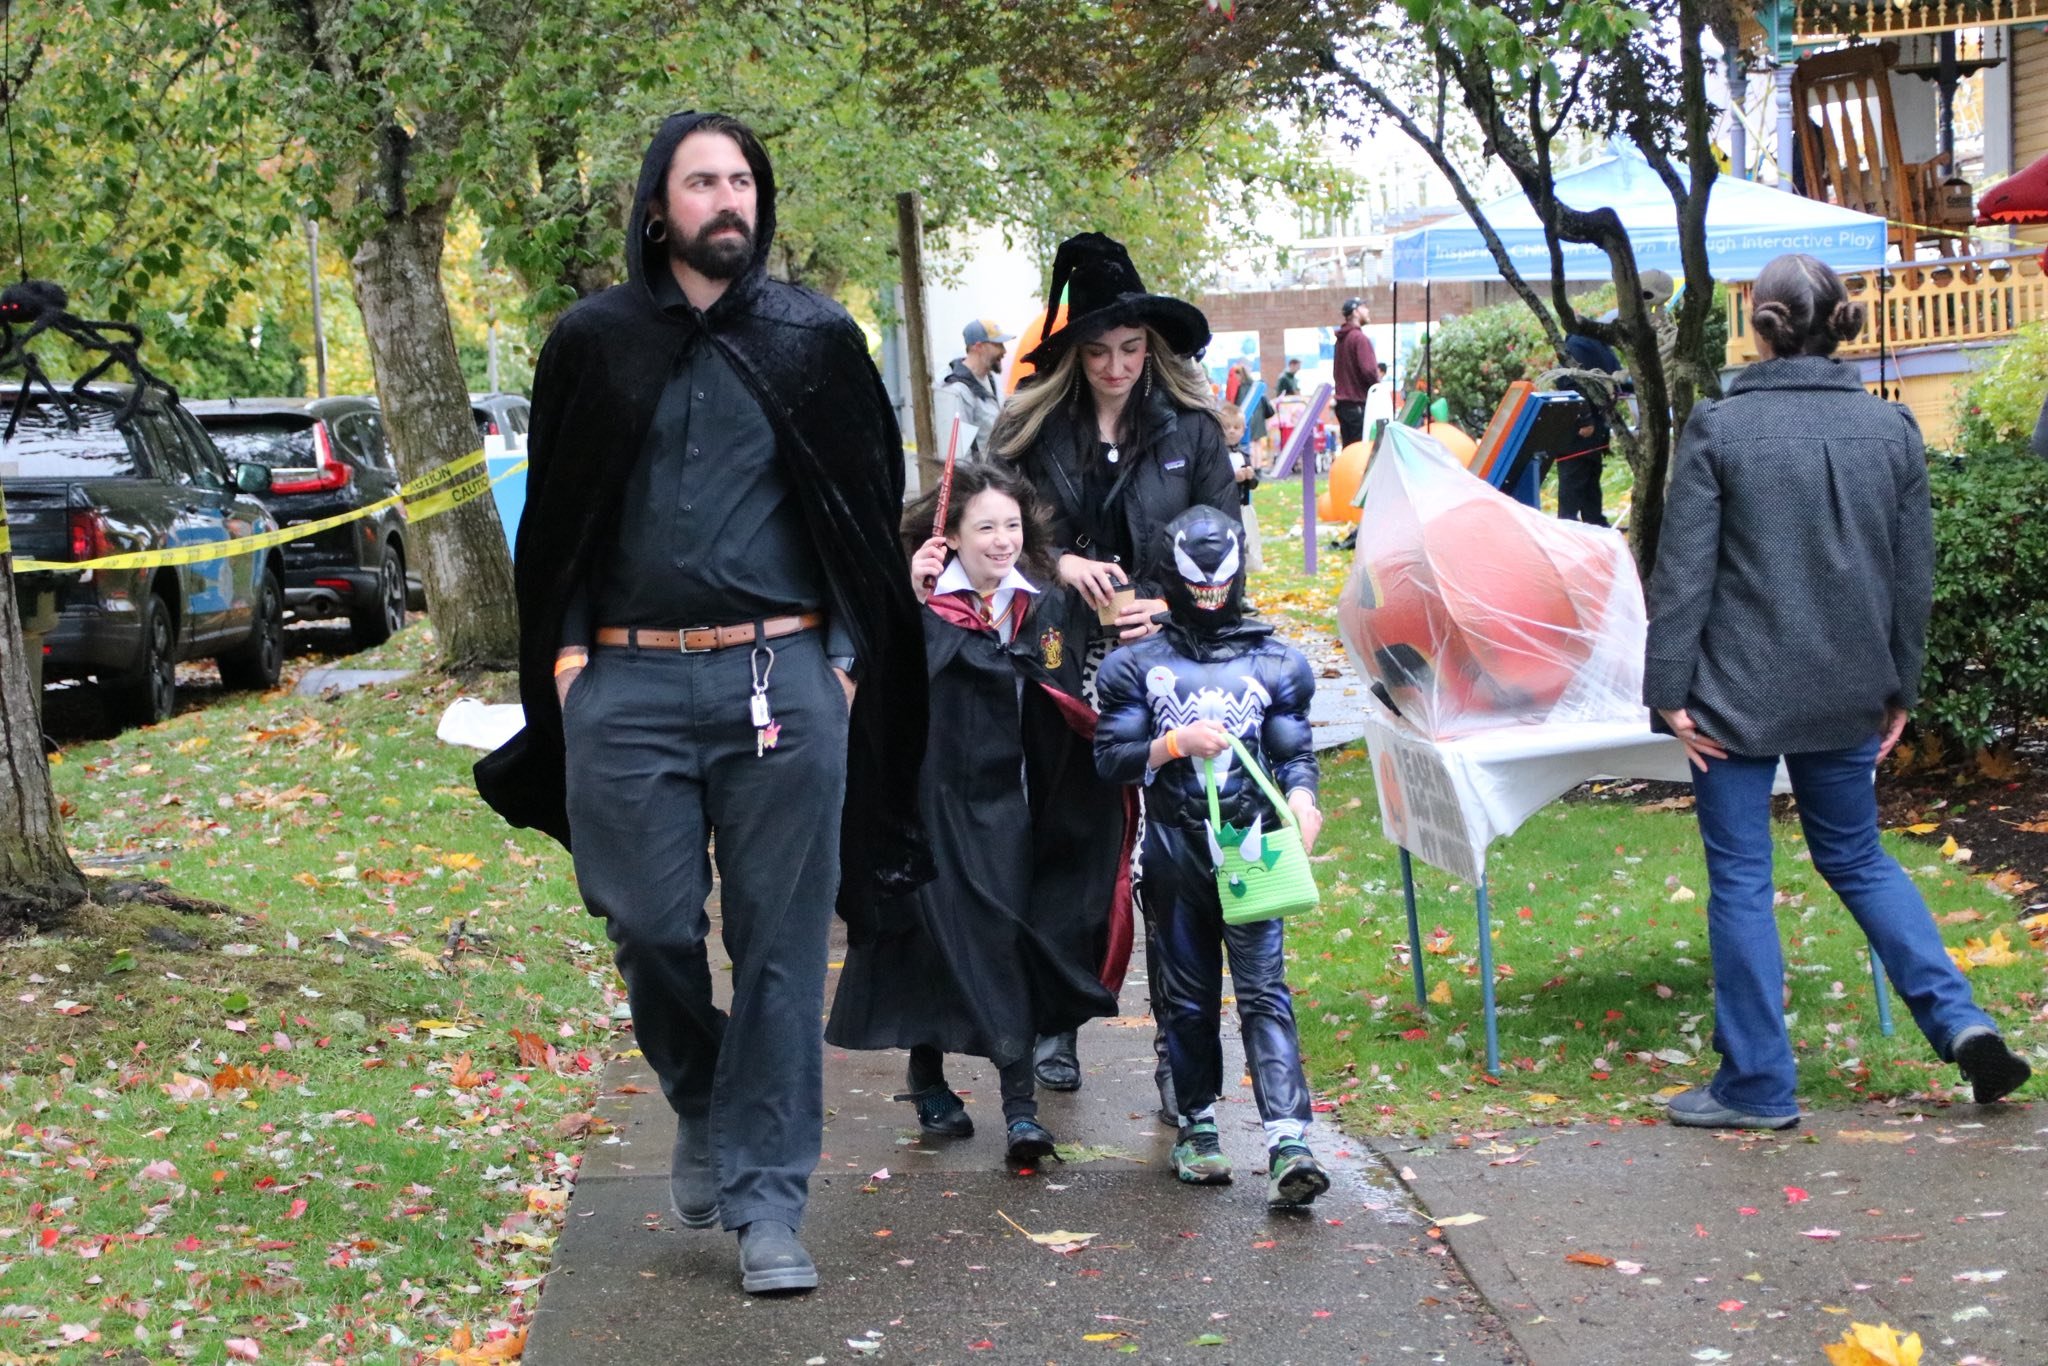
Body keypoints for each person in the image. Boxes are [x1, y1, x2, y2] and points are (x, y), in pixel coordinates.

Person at [473, 111, 931, 1295]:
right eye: (701, 181)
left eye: (741, 181)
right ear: (655, 203)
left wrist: (837, 657)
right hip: (624, 683)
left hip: (782, 678)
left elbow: (861, 516)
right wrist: (571, 665)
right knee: (647, 922)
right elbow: (557, 524)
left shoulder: (816, 338)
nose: (726, 200)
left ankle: (770, 1205)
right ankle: (702, 1092)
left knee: (779, 946)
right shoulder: (593, 341)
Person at [1645, 252, 2031, 1131]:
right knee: (1858, 858)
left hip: (1733, 697)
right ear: (1838, 324)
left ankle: (1757, 1087)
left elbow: (1682, 575)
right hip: (1852, 687)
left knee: (1743, 878)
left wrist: (1668, 692)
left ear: (1763, 323)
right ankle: (1960, 1018)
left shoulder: (1718, 428)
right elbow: (1912, 577)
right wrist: (1902, 686)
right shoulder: (1891, 431)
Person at [827, 462, 1136, 1167]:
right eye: (986, 528)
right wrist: (912, 600)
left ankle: (1007, 1105)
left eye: (1012, 527)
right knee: (933, 938)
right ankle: (950, 1082)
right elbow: (886, 698)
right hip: (930, 801)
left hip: (1013, 803)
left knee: (1000, 937)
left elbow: (1061, 694)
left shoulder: (1044, 604)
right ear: (951, 538)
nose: (1002, 541)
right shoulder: (924, 608)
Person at [994, 229, 1238, 1104]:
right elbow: (994, 530)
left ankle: (1182, 1055)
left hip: (1168, 664)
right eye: (1098, 351)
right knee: (1070, 845)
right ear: (1074, 356)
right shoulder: (1031, 431)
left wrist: (1168, 602)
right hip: (1063, 662)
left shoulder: (1191, 433)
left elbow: (1225, 543)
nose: (1117, 366)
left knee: (1175, 861)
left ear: (1153, 348)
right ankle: (1056, 1021)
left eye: (1132, 349)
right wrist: (1056, 564)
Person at [1094, 505, 1331, 1207]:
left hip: (1253, 848)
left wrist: (1305, 803)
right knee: (1189, 998)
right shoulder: (1134, 663)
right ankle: (1197, 1125)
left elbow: (1294, 753)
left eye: (1220, 580)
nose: (1209, 595)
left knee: (1264, 993)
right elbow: (1111, 759)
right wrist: (1173, 746)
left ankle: (1289, 1139)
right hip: (1172, 848)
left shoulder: (1277, 660)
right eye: (1196, 582)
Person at [1553, 327, 1623, 526]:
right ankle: (1590, 527)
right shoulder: (1591, 345)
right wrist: (1586, 419)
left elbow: (1567, 383)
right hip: (1586, 429)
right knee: (1584, 485)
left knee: (1583, 485)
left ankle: (1585, 528)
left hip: (1585, 430)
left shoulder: (1578, 344)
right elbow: (1571, 383)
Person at [933, 318, 1013, 463]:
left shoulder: (991, 379)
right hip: (976, 481)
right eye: (998, 345)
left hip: (996, 476)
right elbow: (960, 454)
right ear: (978, 346)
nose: (1004, 351)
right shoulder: (959, 390)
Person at [1219, 404, 1263, 573]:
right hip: (1224, 508)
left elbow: (1253, 485)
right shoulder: (1219, 455)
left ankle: (1241, 588)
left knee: (1243, 549)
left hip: (1241, 508)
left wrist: (1250, 477)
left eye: (1236, 427)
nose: (1231, 431)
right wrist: (1233, 478)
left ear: (1243, 431)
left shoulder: (1243, 456)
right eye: (1227, 427)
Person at [1333, 297, 1379, 448]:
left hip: (1343, 406)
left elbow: (1336, 372)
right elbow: (1369, 370)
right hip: (1358, 405)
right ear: (1356, 311)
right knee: (1362, 452)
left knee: (1349, 450)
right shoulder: (1359, 339)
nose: (1368, 311)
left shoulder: (1341, 340)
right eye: (1364, 307)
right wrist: (1377, 389)